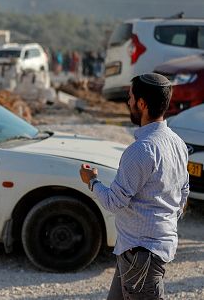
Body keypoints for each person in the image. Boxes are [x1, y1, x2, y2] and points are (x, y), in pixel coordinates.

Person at [79, 73, 190, 299]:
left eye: (130, 97)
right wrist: (163, 222)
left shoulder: (141, 150)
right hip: (140, 251)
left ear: (142, 103)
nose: (127, 102)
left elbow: (114, 202)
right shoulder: (177, 143)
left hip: (141, 256)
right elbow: (183, 193)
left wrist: (91, 180)